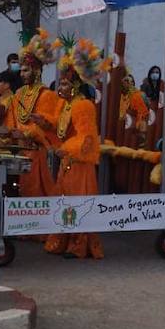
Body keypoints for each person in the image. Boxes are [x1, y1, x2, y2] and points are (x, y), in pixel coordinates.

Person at [44, 40, 109, 259]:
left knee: (79, 203)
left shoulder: (83, 105)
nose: (59, 88)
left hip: (80, 163)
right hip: (67, 160)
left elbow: (87, 138)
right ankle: (63, 241)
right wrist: (43, 121)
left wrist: (68, 150)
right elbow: (59, 126)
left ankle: (79, 245)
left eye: (63, 84)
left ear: (75, 85)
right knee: (65, 201)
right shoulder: (65, 105)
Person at [0, 31, 61, 199]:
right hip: (17, 153)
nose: (22, 74)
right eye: (21, 71)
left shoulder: (47, 95)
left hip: (37, 154)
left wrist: (26, 133)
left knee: (34, 196)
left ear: (37, 70)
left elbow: (49, 128)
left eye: (26, 70)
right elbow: (12, 121)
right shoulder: (18, 94)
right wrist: (6, 132)